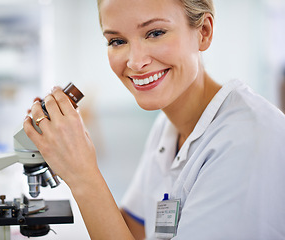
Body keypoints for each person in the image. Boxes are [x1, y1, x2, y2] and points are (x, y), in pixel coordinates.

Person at [24, 0, 285, 239]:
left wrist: (82, 175)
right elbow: (132, 230)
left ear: (203, 32)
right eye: (117, 41)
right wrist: (72, 149)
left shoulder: (247, 141)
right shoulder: (168, 127)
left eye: (155, 33)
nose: (136, 62)